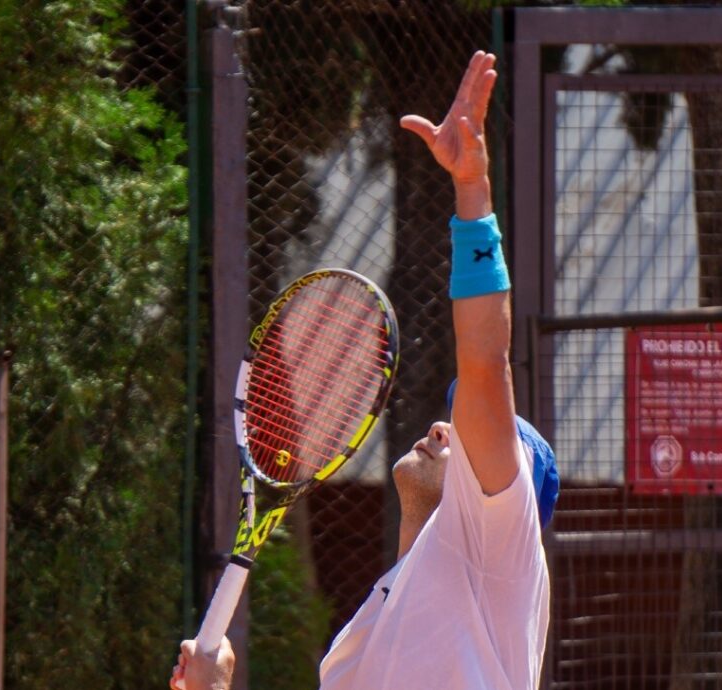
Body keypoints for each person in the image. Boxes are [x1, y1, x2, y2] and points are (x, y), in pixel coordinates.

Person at [171, 50, 557, 690]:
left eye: (473, 428)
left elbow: (485, 363)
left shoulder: (500, 550)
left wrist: (472, 191)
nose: (445, 423)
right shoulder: (374, 627)